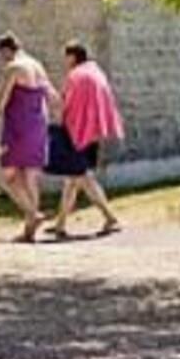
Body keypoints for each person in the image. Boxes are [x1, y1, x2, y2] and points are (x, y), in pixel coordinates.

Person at [47, 39, 125, 238]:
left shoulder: (76, 76)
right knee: (72, 179)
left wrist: (56, 115)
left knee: (82, 177)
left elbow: (67, 103)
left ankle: (110, 217)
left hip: (76, 133)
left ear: (73, 57)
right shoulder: (96, 73)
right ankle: (60, 224)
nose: (65, 61)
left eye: (66, 56)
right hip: (92, 132)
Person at [0, 33, 57, 243]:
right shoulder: (37, 65)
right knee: (30, 176)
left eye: (2, 55)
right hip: (38, 124)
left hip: (18, 126)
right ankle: (29, 233)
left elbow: (1, 101)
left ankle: (33, 213)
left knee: (8, 176)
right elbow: (52, 95)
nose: (2, 60)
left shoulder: (14, 67)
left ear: (6, 50)